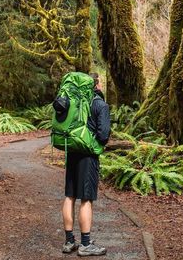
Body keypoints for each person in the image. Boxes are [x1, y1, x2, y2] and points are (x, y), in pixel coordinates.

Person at [62, 72, 111, 256]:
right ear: (97, 85)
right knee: (86, 199)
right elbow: (104, 135)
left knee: (70, 196)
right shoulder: (99, 104)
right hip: (88, 157)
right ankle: (85, 244)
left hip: (72, 152)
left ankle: (69, 242)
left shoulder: (74, 102)